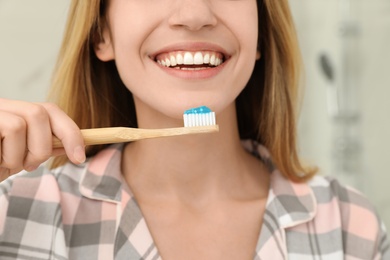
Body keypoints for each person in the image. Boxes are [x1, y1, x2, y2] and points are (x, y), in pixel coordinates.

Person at [0, 0, 388, 259]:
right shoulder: (15, 214)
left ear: (260, 30)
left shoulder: (349, 225)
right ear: (102, 32)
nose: (194, 13)